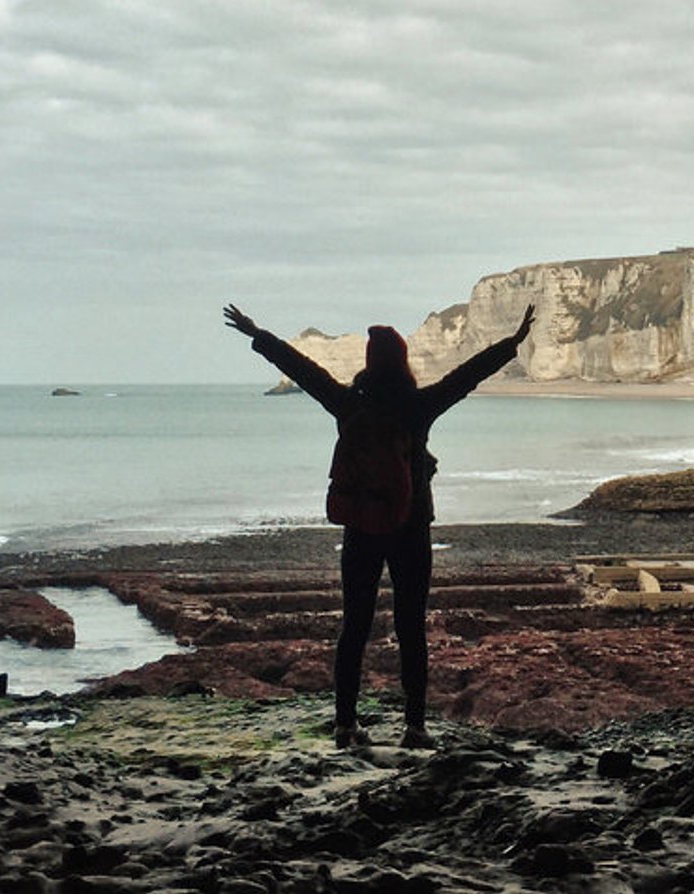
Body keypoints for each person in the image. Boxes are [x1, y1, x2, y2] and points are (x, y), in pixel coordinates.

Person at [223, 300, 534, 749]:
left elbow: (302, 369)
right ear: (403, 363)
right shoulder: (419, 406)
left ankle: (346, 726)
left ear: (370, 365)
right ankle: (415, 727)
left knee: (354, 627)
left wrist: (257, 333)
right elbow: (467, 376)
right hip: (412, 528)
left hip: (362, 527)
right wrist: (511, 344)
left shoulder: (349, 404)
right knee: (412, 627)